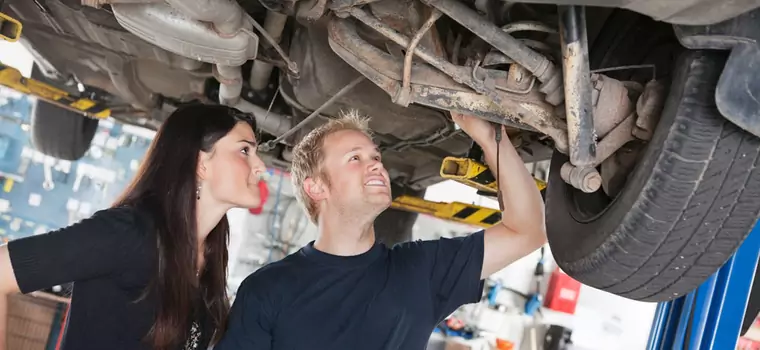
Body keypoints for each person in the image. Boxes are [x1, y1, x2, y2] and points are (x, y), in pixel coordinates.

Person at [215, 110, 547, 349]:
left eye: (376, 156)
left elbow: (528, 229)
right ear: (317, 188)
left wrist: (490, 138)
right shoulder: (267, 290)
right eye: (354, 158)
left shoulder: (421, 270)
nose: (376, 163)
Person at [0, 104, 267, 350]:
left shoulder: (210, 261)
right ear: (201, 164)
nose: (260, 166)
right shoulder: (128, 232)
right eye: (245, 151)